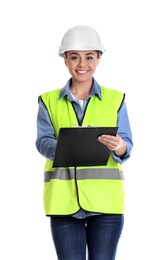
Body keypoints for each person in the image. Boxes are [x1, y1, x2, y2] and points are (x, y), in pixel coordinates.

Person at [35, 25, 133, 260]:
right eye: (74, 57)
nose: (82, 64)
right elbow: (43, 141)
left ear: (98, 59)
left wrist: (119, 145)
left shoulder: (115, 99)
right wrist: (66, 147)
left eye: (89, 57)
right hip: (63, 202)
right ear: (65, 60)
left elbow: (126, 145)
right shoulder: (48, 101)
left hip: (106, 205)